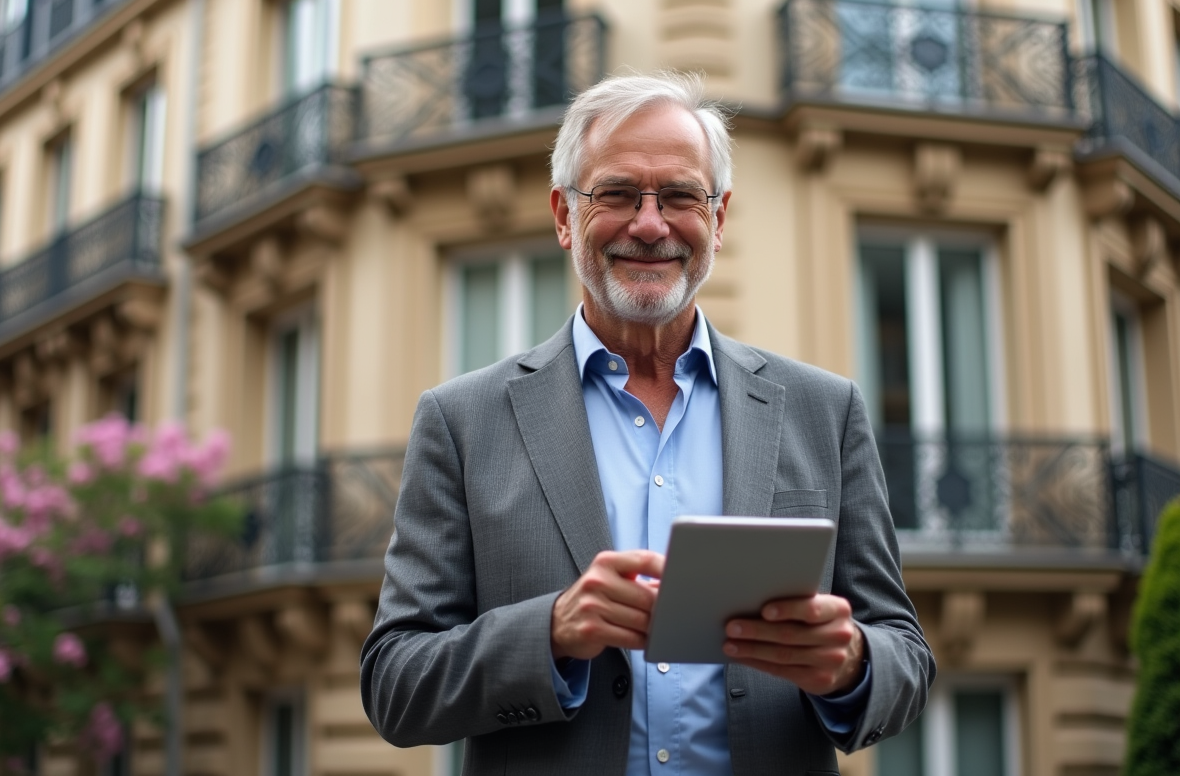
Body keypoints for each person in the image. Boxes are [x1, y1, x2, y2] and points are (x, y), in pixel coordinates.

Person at [360, 72, 934, 775]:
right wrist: (551, 633)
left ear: (719, 218)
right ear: (564, 215)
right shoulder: (461, 422)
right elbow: (394, 684)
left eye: (681, 196)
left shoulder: (823, 410)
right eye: (618, 193)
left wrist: (852, 664)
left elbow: (906, 659)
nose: (651, 224)